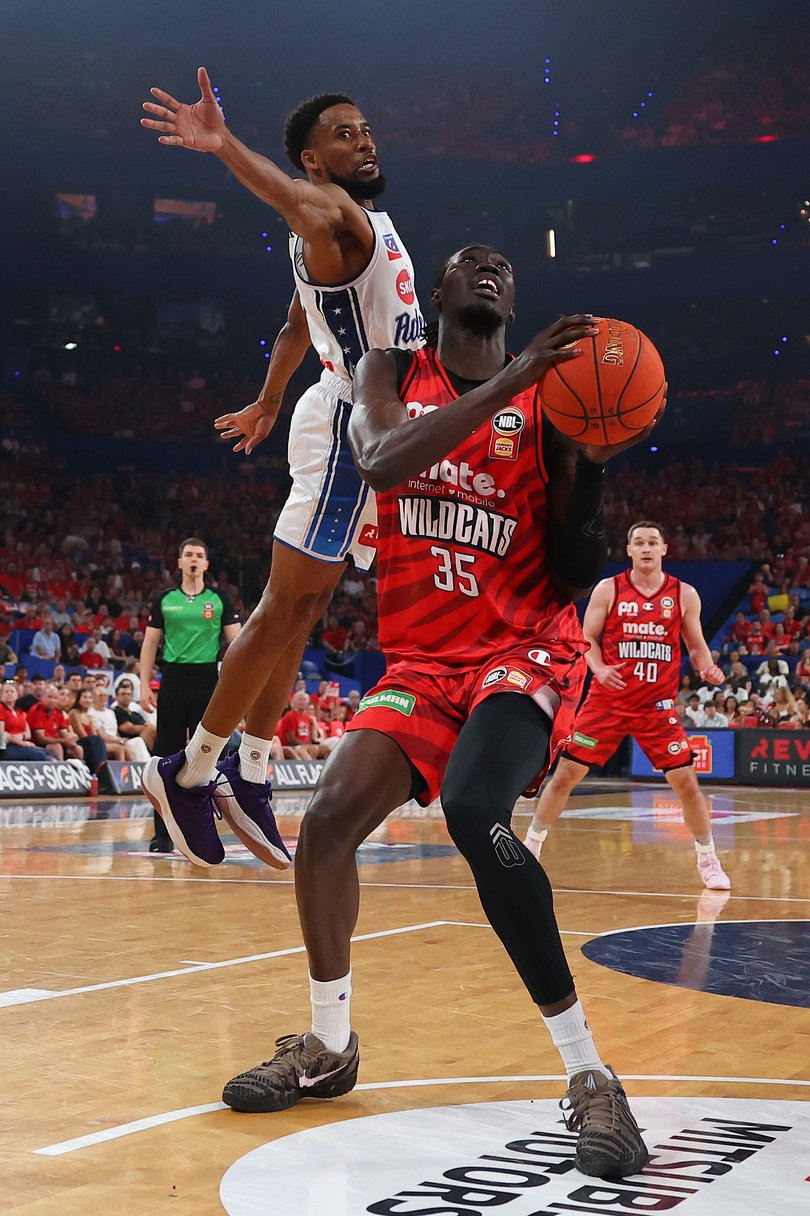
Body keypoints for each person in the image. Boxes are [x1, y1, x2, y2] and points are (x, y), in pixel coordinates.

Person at [218, 246, 653, 1180]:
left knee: (470, 810)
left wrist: (591, 467)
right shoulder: (391, 371)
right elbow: (378, 461)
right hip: (421, 658)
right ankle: (330, 1046)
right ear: (443, 293)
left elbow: (579, 567)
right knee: (327, 820)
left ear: (511, 300)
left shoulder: (553, 406)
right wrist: (524, 376)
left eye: (503, 268)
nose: (489, 272)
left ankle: (591, 1076)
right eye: (471, 264)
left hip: (524, 647)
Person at [140, 72, 423, 866]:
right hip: (345, 425)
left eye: (367, 128)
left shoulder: (350, 230)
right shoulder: (328, 212)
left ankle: (252, 770)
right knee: (279, 607)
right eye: (344, 134)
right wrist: (224, 144)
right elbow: (291, 200)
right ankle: (190, 771)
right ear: (313, 160)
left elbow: (297, 322)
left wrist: (266, 400)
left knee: (303, 613)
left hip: (356, 425)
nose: (363, 140)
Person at [525, 521, 731, 890]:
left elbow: (696, 646)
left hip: (656, 706)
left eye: (653, 541)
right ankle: (532, 847)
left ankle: (708, 858)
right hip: (607, 702)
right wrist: (600, 669)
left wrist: (708, 668)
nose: (647, 547)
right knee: (564, 778)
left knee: (687, 784)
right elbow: (587, 638)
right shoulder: (609, 589)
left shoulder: (684, 594)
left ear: (665, 549)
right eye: (640, 542)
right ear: (630, 550)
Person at [139, 538, 241, 852]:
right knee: (164, 756)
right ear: (180, 562)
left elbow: (237, 646)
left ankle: (200, 827)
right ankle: (162, 833)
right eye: (188, 554)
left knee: (204, 758)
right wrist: (144, 684)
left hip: (207, 682)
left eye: (199, 555)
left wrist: (236, 687)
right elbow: (150, 644)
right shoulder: (164, 599)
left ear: (206, 564)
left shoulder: (220, 598)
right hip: (172, 680)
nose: (194, 559)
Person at [0, 680, 51, 760]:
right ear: (1, 695)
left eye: (12, 691)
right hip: (6, 747)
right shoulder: (1, 709)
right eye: (6, 691)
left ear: (17, 694)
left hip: (19, 744)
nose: (9, 693)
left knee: (51, 753)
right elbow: (1, 735)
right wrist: (21, 742)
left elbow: (28, 734)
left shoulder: (19, 712)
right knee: (41, 755)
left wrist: (21, 736)